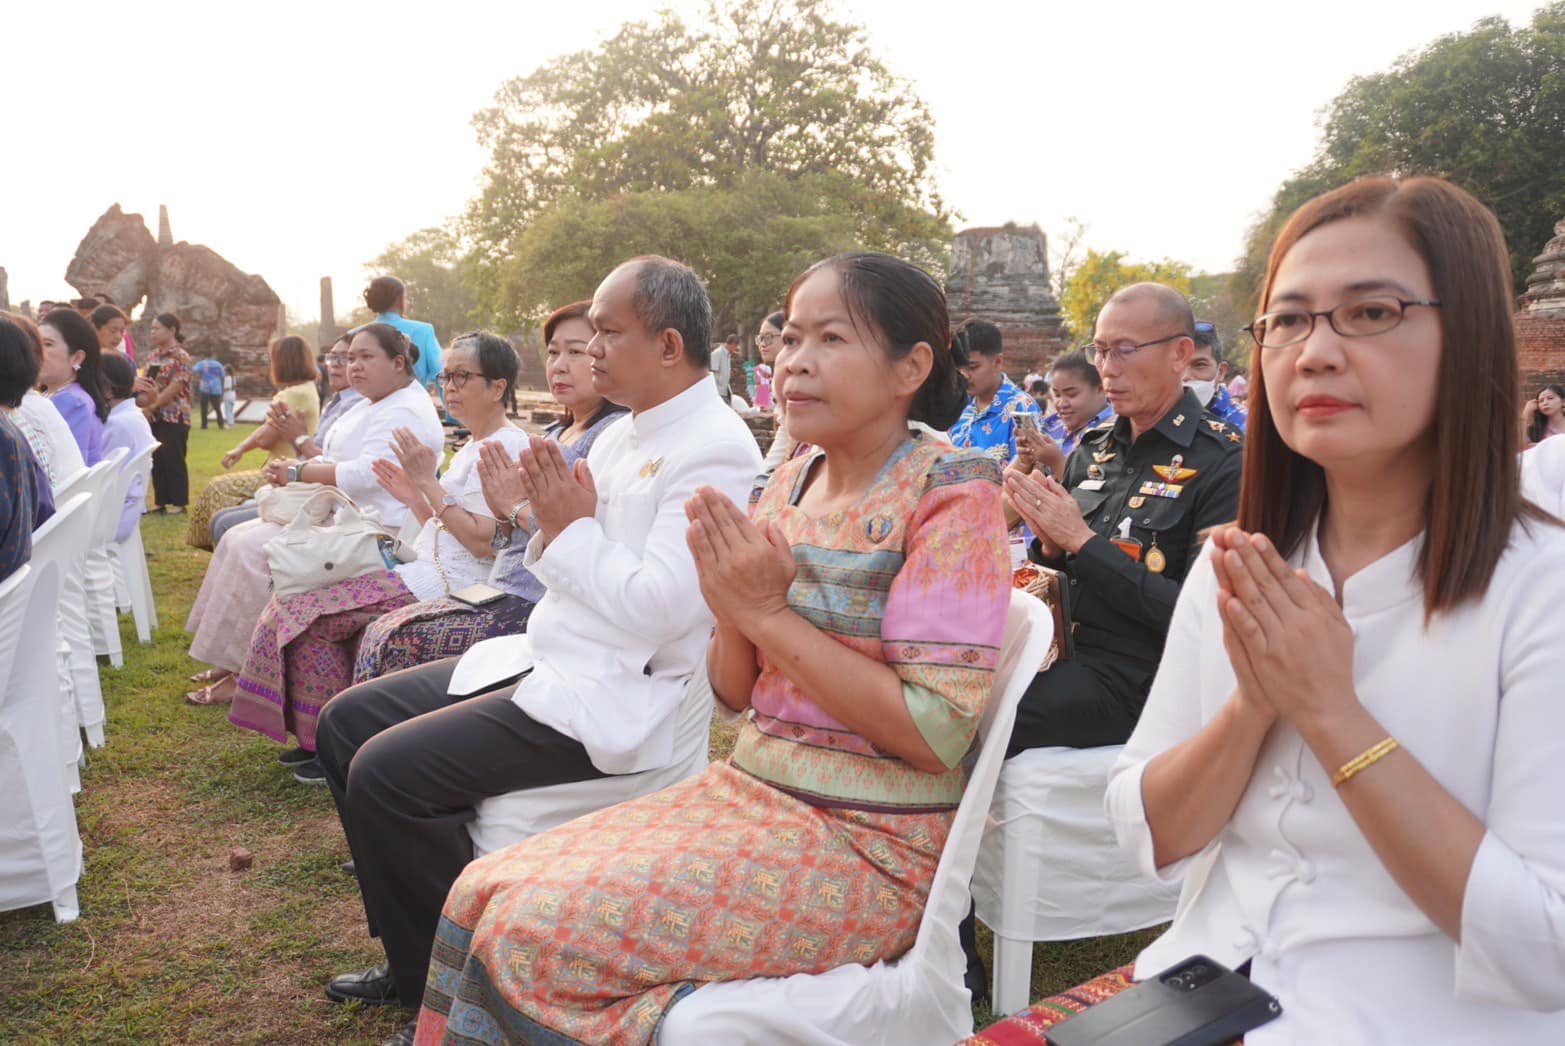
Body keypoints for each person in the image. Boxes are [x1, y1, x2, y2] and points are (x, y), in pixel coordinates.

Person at [411, 250, 1008, 1046]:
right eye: (791, 338)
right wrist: (732, 608)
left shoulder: (952, 495)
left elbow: (934, 734)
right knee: (481, 887)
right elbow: (733, 694)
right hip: (754, 791)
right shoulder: (790, 477)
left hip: (869, 844)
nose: (795, 363)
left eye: (830, 339)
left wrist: (763, 615)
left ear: (911, 367)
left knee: (531, 935)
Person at [1091, 176, 1565, 1042]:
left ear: (1468, 339)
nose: (1312, 352)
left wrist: (1330, 712)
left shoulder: (1542, 589)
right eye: (1287, 319)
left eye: (1371, 313)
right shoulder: (1243, 563)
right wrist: (1252, 705)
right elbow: (1150, 833)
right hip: (1199, 996)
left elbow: (1545, 948)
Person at [311, 257, 761, 1032]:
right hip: (556, 656)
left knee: (388, 774)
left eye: (608, 335)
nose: (589, 354)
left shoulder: (713, 449)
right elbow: (572, 567)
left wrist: (560, 525)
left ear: (666, 344)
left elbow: (658, 609)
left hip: (616, 691)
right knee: (345, 723)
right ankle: (412, 949)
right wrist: (537, 519)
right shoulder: (627, 437)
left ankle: (447, 995)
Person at [228, 331, 531, 784]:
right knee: (298, 597)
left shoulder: (505, 447)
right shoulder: (473, 444)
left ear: (498, 387)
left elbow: (486, 545)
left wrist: (426, 484)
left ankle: (332, 742)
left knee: (308, 610)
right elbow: (446, 524)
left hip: (454, 584)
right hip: (423, 567)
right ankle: (321, 739)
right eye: (445, 375)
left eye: (462, 376)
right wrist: (415, 495)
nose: (448, 386)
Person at [351, 302, 628, 683]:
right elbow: (502, 538)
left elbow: (578, 529)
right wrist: (423, 495)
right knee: (381, 632)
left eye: (576, 351)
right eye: (552, 352)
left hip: (537, 602)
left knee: (395, 638)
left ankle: (378, 739)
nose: (559, 365)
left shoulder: (609, 436)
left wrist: (509, 506)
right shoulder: (550, 434)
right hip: (497, 587)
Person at [182, 323, 443, 706]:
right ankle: (231, 661)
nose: (354, 366)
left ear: (398, 362)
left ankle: (247, 673)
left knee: (257, 552)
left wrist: (299, 472)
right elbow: (341, 460)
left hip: (378, 531)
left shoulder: (405, 409)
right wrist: (304, 463)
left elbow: (368, 474)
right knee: (238, 539)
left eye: (366, 357)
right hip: (345, 517)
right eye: (350, 357)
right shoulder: (376, 402)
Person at [205, 336, 363, 548]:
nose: (335, 363)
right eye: (333, 357)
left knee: (219, 499)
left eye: (346, 358)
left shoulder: (301, 395)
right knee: (221, 518)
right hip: (296, 476)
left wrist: (298, 440)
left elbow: (267, 438)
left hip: (301, 484)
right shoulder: (328, 399)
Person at [185, 336, 320, 550]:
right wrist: (241, 448)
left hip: (283, 474)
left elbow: (266, 439)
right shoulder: (306, 388)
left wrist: (243, 447)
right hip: (290, 469)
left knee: (218, 489)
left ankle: (220, 550)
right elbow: (268, 429)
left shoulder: (292, 395)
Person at [0, 311, 86, 492]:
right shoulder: (29, 407)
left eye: (49, 345)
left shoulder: (23, 411)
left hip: (53, 513)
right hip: (61, 511)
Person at [948, 319, 1041, 463]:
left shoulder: (1021, 408)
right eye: (959, 368)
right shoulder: (957, 408)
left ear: (997, 362)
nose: (965, 375)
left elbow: (1034, 468)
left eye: (972, 367)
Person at [136, 313, 193, 513]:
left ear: (172, 330)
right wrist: (146, 406)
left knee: (174, 458)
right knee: (157, 459)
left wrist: (152, 406)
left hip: (174, 414)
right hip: (153, 415)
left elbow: (175, 387)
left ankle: (178, 503)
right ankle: (160, 502)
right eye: (152, 328)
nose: (153, 332)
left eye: (157, 328)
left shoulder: (181, 356)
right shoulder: (153, 356)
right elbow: (146, 383)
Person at [37, 308, 108, 466]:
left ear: (77, 357)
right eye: (35, 343)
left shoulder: (72, 402)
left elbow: (65, 469)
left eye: (47, 344)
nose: (36, 351)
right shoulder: (57, 395)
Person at [100, 352, 157, 542]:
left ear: (107, 390)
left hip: (116, 518)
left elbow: (103, 479)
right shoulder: (131, 415)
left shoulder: (117, 424)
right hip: (127, 511)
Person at [364, 276, 440, 392]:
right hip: (414, 405)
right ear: (400, 300)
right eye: (406, 298)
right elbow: (440, 376)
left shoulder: (355, 335)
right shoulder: (424, 331)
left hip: (365, 408)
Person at [1040, 349, 1114, 456]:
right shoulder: (1051, 425)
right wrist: (1025, 460)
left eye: (1071, 394)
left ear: (1100, 389)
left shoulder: (1115, 430)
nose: (1061, 404)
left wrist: (1055, 463)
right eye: (1057, 395)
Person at [1186, 321, 1248, 430]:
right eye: (1178, 365)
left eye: (1199, 365)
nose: (1185, 376)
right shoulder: (1155, 419)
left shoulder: (1245, 425)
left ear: (1221, 372)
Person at [191, 348, 227, 430]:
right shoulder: (218, 364)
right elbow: (223, 375)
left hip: (205, 387)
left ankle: (204, 425)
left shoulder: (201, 364)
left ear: (203, 356)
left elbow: (194, 371)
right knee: (217, 407)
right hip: (216, 387)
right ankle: (221, 424)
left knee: (204, 407)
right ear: (212, 356)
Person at [753, 311, 782, 411]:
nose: (763, 344)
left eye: (768, 337)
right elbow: (761, 408)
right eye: (760, 338)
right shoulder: (763, 371)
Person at [710, 331, 734, 399]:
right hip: (718, 391)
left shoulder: (728, 355)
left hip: (725, 390)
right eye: (735, 346)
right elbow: (713, 372)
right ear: (732, 344)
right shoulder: (717, 353)